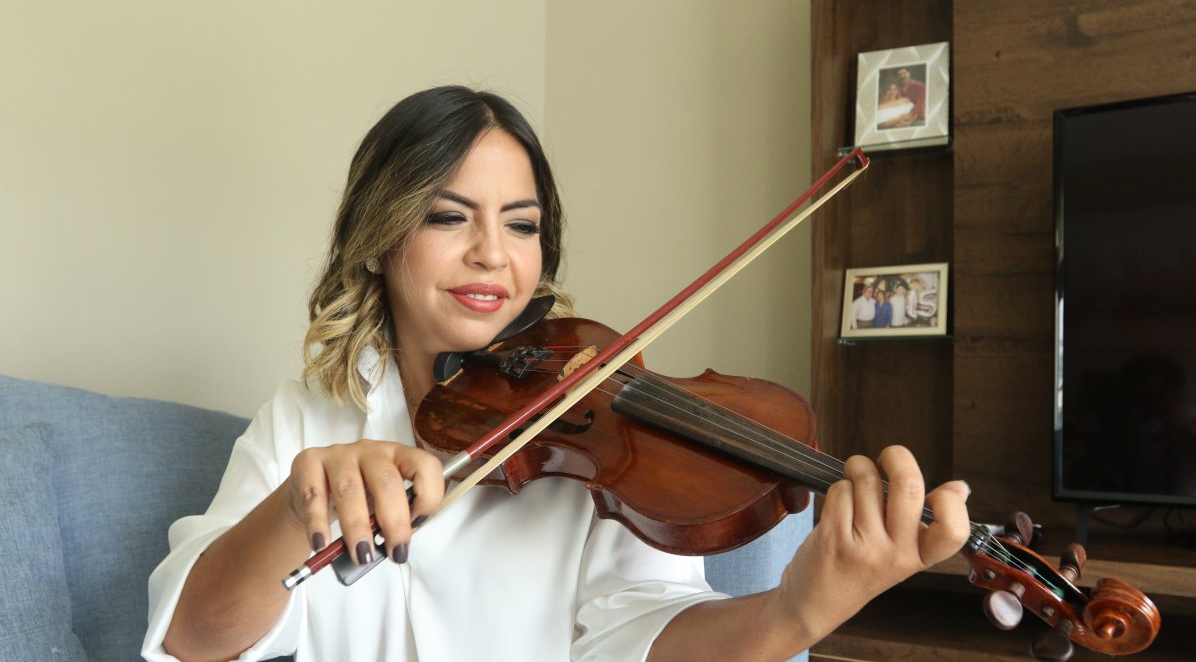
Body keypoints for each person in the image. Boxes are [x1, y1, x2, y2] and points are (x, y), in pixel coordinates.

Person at [143, 85, 970, 662]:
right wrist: (298, 507)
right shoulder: (305, 418)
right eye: (448, 216)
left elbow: (641, 635)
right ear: (378, 238)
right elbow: (191, 637)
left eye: (521, 224)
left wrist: (797, 611)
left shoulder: (598, 426)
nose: (492, 254)